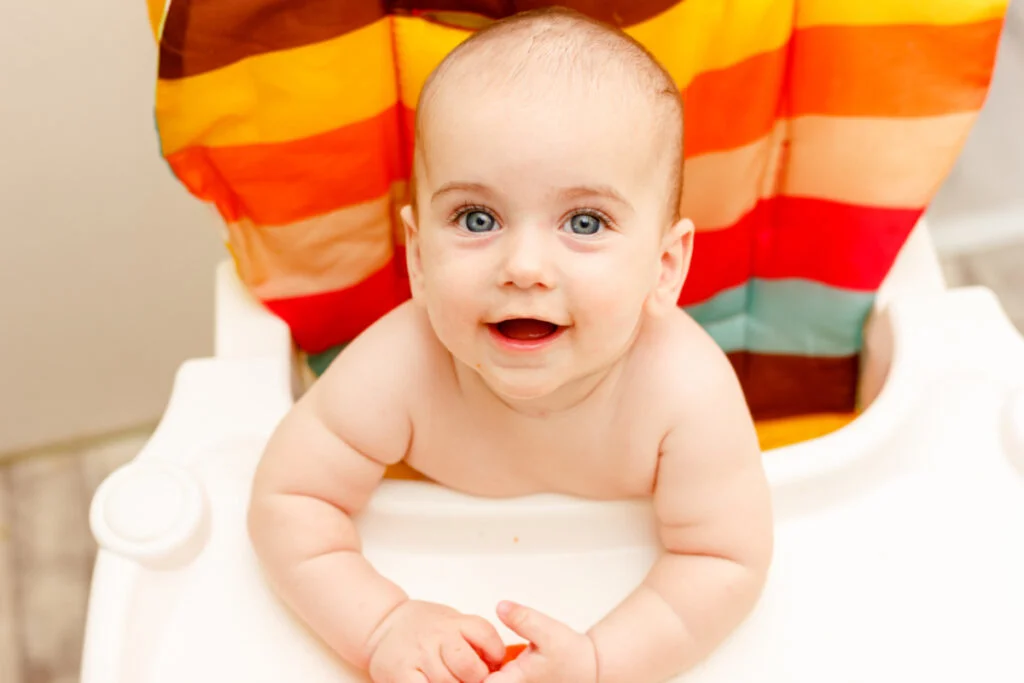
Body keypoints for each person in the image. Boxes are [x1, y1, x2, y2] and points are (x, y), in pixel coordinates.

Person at [247, 7, 773, 683]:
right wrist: (382, 623)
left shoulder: (684, 392)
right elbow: (288, 501)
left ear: (665, 266)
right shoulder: (402, 366)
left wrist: (602, 660)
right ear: (417, 256)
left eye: (585, 221)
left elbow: (725, 561)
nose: (524, 265)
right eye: (477, 217)